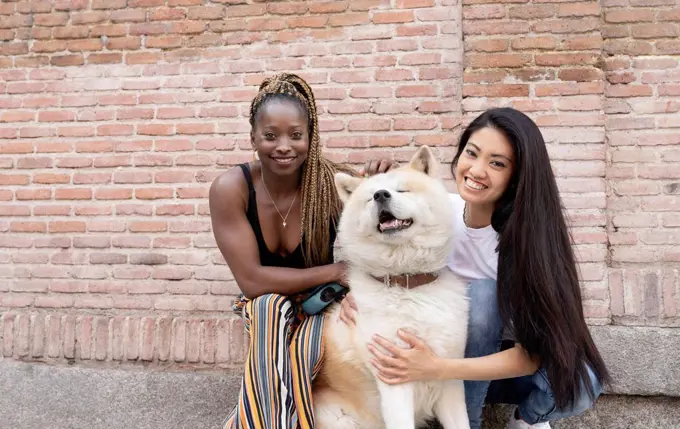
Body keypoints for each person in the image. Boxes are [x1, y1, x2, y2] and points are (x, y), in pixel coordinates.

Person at [339, 107, 611, 429]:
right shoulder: (438, 213)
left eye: (497, 163)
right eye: (472, 153)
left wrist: (437, 368)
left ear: (517, 176)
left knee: (583, 379)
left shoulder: (527, 243)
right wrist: (361, 293)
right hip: (429, 359)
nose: (477, 170)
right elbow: (378, 252)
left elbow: (533, 355)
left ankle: (525, 419)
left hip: (491, 365)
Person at [209, 73, 394, 429]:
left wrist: (383, 179)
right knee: (268, 307)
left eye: (296, 135)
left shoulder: (328, 184)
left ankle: (246, 422)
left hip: (318, 305)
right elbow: (252, 281)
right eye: (270, 135)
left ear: (311, 137)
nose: (283, 146)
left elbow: (382, 223)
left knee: (303, 355)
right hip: (264, 306)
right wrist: (337, 271)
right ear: (253, 138)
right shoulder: (232, 189)